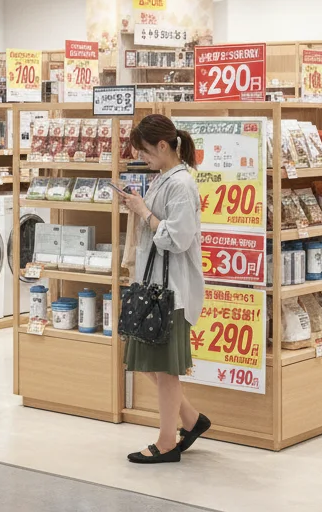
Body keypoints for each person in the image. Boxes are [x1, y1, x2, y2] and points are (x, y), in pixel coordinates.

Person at [119, 114, 210, 464]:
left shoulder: (181, 184)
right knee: (149, 363)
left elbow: (178, 238)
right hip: (155, 287)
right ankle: (192, 420)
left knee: (165, 369)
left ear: (162, 145)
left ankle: (168, 442)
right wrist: (137, 207)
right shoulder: (164, 178)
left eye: (144, 151)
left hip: (171, 292)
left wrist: (143, 211)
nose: (142, 158)